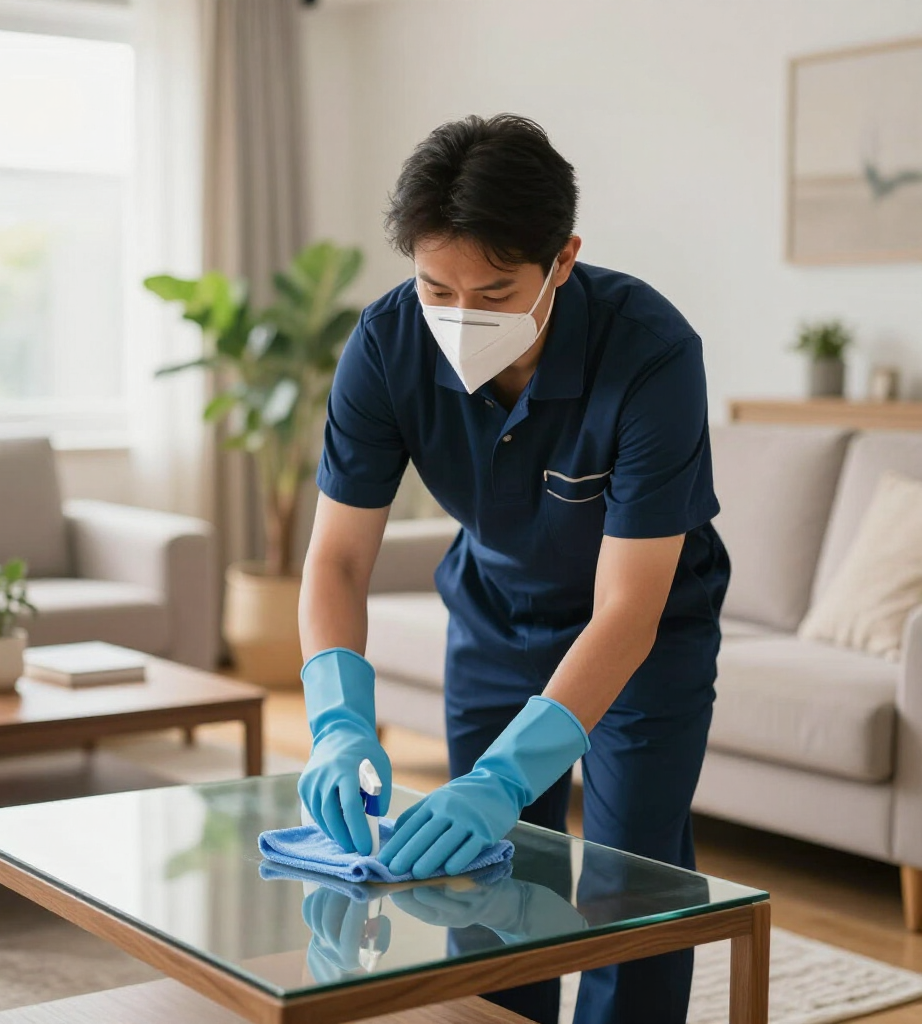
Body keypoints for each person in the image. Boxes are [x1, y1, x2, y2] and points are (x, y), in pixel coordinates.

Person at [296, 113, 730, 1024]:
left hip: (642, 640)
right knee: (485, 881)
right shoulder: (385, 346)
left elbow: (627, 609)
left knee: (631, 881)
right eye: (434, 287)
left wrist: (504, 775)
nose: (460, 317)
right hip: (495, 619)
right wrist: (338, 719)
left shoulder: (651, 354)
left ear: (562, 260)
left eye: (495, 292)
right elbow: (337, 557)